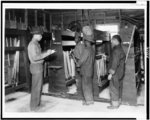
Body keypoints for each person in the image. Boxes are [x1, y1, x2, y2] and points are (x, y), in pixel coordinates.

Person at [28, 26, 56, 111]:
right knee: (36, 87)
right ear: (35, 35)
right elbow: (35, 58)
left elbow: (38, 55)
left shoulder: (36, 43)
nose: (41, 36)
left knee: (39, 87)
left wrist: (47, 53)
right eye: (40, 35)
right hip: (36, 67)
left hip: (38, 67)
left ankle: (37, 104)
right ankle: (34, 107)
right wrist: (46, 54)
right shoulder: (32, 44)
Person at [76, 26, 95, 105]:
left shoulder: (86, 50)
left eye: (84, 41)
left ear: (87, 41)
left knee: (85, 86)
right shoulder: (92, 49)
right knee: (89, 86)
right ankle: (90, 100)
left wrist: (78, 64)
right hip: (90, 70)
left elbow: (82, 60)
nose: (84, 42)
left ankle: (88, 101)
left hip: (85, 71)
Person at [107, 35, 126, 109]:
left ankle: (114, 105)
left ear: (116, 41)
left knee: (113, 88)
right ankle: (119, 102)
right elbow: (117, 60)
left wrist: (111, 74)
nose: (111, 42)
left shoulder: (116, 50)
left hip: (116, 73)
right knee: (119, 87)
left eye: (112, 40)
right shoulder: (120, 49)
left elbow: (115, 63)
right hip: (120, 72)